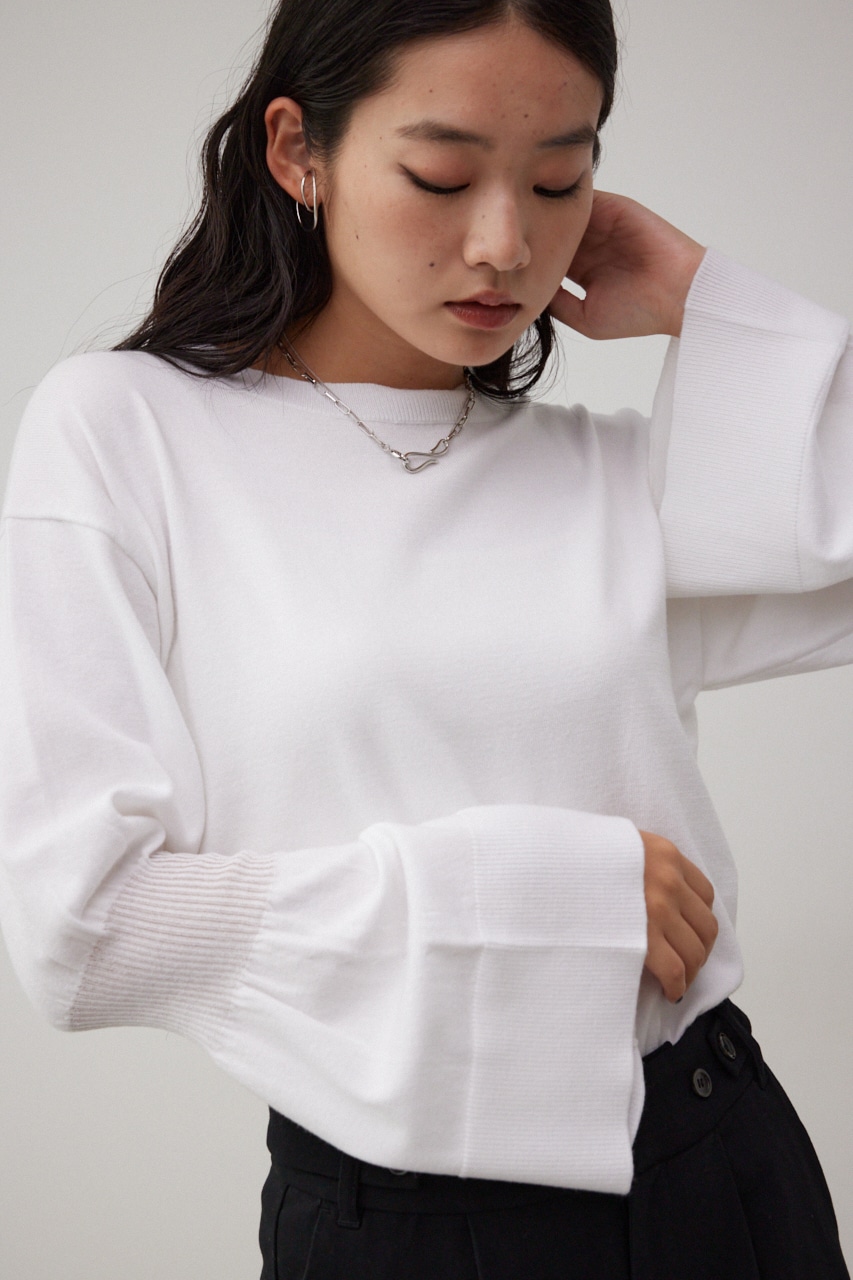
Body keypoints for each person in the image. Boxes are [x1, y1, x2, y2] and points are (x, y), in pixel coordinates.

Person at [0, 0, 850, 1275]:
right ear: (299, 150)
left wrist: (706, 302)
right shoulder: (125, 432)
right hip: (403, 1220)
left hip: (719, 1157)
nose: (505, 243)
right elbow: (84, 924)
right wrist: (544, 896)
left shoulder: (619, 481)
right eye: (442, 176)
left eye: (558, 182)